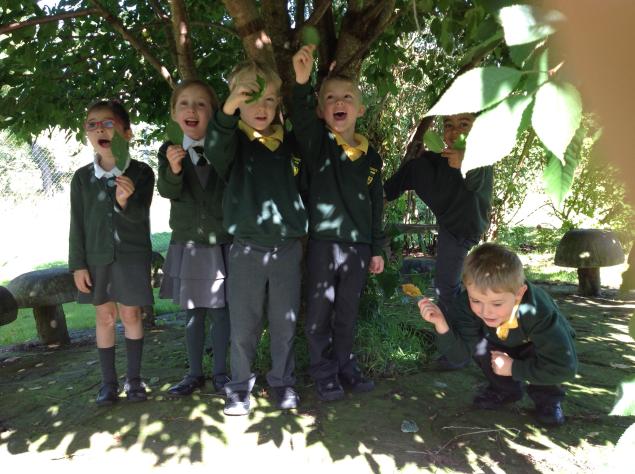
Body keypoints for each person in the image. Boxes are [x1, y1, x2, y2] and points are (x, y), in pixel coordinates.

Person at [205, 61, 308, 415]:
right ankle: (238, 387)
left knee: (284, 322)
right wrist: (228, 108)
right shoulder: (233, 145)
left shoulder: (290, 145)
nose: (261, 108)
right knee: (244, 324)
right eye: (250, 98)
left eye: (269, 99)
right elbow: (214, 146)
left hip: (286, 250)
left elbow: (310, 140)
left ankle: (282, 382)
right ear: (234, 102)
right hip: (247, 250)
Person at [291, 45, 385, 402]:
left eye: (347, 97)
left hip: (358, 249)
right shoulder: (318, 145)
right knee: (319, 312)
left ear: (360, 109)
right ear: (321, 109)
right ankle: (323, 371)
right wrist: (302, 83)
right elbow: (300, 119)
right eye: (330, 98)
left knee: (347, 312)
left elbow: (377, 205)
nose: (339, 102)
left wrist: (376, 248)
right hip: (322, 245)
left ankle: (345, 365)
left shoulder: (371, 157)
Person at [418, 242, 577, 426]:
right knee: (480, 344)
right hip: (498, 341)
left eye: (497, 303)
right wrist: (441, 324)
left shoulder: (539, 312)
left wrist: (514, 368)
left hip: (533, 344)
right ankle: (505, 389)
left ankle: (548, 400)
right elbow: (459, 354)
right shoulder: (465, 306)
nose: (486, 312)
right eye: (476, 300)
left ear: (519, 294)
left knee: (539, 353)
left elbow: (564, 368)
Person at [384, 113, 493, 369]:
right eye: (449, 126)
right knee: (417, 166)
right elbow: (439, 163)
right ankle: (380, 194)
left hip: (461, 229)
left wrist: (466, 161)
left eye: (463, 125)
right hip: (449, 220)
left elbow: (477, 179)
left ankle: (454, 349)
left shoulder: (481, 157)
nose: (454, 131)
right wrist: (423, 153)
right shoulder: (447, 155)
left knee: (446, 287)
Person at [69, 99, 155, 406]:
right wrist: (78, 265)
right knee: (104, 316)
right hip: (96, 259)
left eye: (108, 123)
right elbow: (77, 224)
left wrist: (122, 202)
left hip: (132, 256)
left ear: (127, 133)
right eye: (92, 124)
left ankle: (134, 380)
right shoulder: (81, 178)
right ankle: (108, 383)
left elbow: (139, 217)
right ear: (87, 133)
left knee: (131, 314)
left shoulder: (142, 173)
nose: (99, 129)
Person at [157, 79, 232, 397]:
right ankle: (193, 373)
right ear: (174, 114)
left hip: (221, 242)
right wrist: (174, 170)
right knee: (193, 312)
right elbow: (166, 190)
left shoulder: (224, 147)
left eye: (201, 104)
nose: (192, 109)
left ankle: (221, 373)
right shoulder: (168, 150)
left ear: (213, 113)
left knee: (221, 311)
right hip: (188, 242)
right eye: (184, 103)